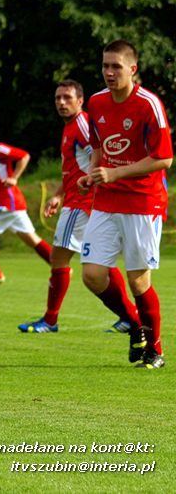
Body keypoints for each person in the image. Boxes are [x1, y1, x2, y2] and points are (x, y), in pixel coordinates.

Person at [77, 40, 172, 369]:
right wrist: (92, 174)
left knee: (138, 281)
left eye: (116, 66)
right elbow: (99, 146)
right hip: (107, 200)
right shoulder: (96, 102)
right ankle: (134, 324)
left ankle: (154, 349)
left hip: (143, 203)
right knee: (91, 275)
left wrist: (116, 173)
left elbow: (164, 159)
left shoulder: (148, 105)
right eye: (105, 65)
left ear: (133, 69)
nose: (109, 72)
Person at [18, 80, 140, 333]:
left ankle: (51, 320)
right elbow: (79, 168)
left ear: (80, 100)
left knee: (59, 258)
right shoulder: (70, 126)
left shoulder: (82, 125)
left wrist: (95, 189)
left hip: (82, 203)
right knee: (100, 262)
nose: (62, 103)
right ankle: (130, 315)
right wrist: (58, 194)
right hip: (78, 200)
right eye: (58, 98)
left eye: (67, 98)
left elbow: (102, 156)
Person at [0, 118, 51, 290]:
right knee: (32, 240)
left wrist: (15, 177)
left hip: (6, 201)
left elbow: (24, 156)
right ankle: (60, 268)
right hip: (12, 204)